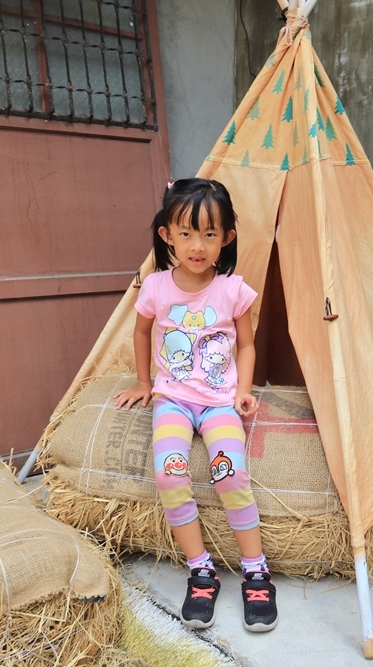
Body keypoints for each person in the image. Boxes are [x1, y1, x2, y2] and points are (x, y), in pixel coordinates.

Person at [113, 177, 277, 633]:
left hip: (221, 403)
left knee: (231, 474)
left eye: (209, 233)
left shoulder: (232, 290)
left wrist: (244, 388)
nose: (198, 245)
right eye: (185, 233)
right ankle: (201, 569)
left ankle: (256, 570)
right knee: (169, 470)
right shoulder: (156, 287)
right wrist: (145, 382)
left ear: (227, 237)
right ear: (166, 234)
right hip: (173, 400)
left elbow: (245, 345)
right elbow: (142, 332)